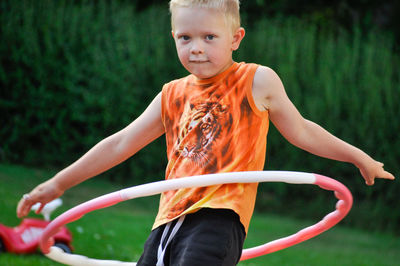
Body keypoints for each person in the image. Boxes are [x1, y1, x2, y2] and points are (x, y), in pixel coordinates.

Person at [17, 0, 395, 265]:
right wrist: (58, 184)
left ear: (235, 38)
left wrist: (356, 156)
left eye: (209, 38)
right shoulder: (172, 94)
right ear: (173, 37)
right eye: (185, 38)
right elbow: (120, 142)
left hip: (220, 216)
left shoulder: (255, 80)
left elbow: (302, 131)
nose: (196, 48)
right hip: (167, 217)